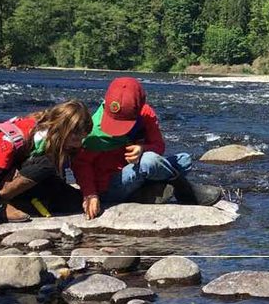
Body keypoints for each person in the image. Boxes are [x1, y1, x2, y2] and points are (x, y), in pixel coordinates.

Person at [73, 77, 221, 219]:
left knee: (184, 159)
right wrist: (90, 194)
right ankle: (185, 190)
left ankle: (143, 193)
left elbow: (159, 146)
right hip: (109, 187)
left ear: (140, 107)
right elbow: (81, 164)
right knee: (149, 162)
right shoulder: (94, 131)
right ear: (106, 105)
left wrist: (142, 148)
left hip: (137, 171)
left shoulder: (146, 114)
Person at [0, 100, 92, 227]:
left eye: (82, 138)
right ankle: (2, 202)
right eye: (75, 138)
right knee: (48, 162)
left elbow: (80, 165)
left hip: (23, 175)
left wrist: (90, 194)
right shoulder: (12, 138)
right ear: (59, 130)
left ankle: (25, 202)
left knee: (74, 203)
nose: (79, 144)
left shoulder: (60, 142)